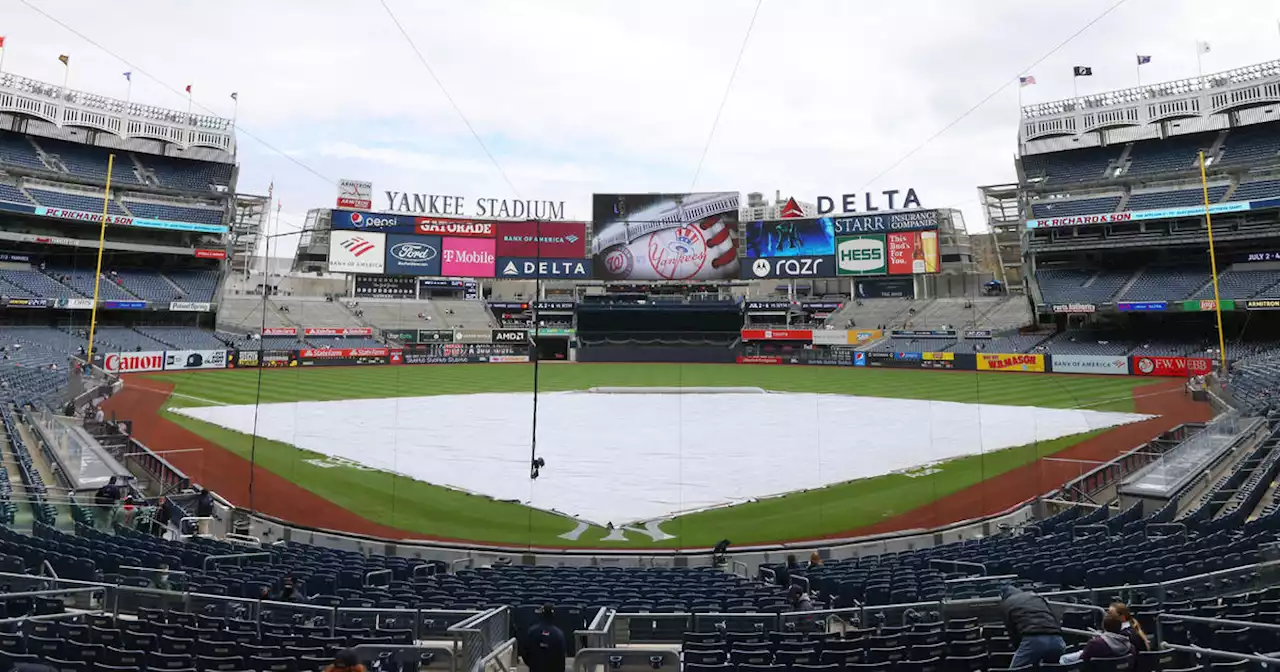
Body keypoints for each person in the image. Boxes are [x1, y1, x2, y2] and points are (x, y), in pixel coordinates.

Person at [1000, 585, 1065, 668]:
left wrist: (1018, 647)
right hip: (1057, 640)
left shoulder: (1007, 603)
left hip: (1033, 639)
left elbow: (1012, 630)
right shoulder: (1036, 596)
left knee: (1016, 669)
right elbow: (1054, 617)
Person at [1061, 612, 1133, 664]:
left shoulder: (1095, 644)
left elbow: (1082, 661)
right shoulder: (1129, 645)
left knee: (1063, 659)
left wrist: (1096, 640)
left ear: (1104, 626)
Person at [521, 604, 566, 672]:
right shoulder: (559, 634)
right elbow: (561, 658)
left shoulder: (532, 631)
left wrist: (533, 666)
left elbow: (524, 653)